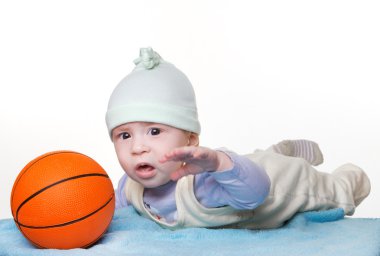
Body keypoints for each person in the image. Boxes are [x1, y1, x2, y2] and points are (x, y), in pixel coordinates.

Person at [105, 47, 371, 230]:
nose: (137, 147)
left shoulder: (205, 177)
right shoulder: (130, 186)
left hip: (277, 187)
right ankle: (278, 151)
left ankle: (346, 177)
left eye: (154, 131)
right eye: (124, 135)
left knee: (327, 191)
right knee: (254, 162)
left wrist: (219, 164)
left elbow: (255, 194)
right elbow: (111, 212)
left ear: (191, 140)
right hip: (247, 172)